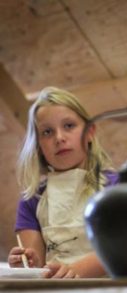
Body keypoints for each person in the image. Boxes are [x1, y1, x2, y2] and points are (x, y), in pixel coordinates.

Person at [7, 87, 119, 278]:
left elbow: (125, 247)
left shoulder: (119, 188)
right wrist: (27, 263)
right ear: (39, 147)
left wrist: (76, 271)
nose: (59, 138)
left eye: (69, 126)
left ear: (90, 132)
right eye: (47, 132)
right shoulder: (32, 199)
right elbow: (38, 268)